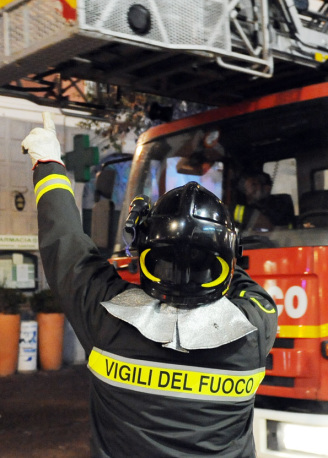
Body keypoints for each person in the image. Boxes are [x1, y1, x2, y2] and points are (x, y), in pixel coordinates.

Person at [22, 113, 277, 457]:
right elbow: (240, 282)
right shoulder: (256, 327)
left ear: (146, 255)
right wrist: (212, 242)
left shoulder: (105, 320)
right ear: (226, 259)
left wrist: (49, 163)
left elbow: (64, 244)